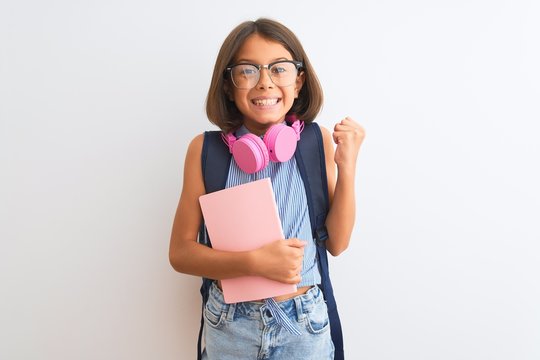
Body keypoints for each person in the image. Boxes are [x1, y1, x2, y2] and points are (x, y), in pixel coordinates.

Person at [169, 18, 365, 359]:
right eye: (247, 71)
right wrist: (255, 262)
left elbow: (337, 243)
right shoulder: (204, 151)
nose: (265, 83)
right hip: (231, 324)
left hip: (303, 323)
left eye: (279, 69)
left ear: (299, 81)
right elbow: (181, 253)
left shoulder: (315, 143)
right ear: (228, 85)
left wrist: (346, 167)